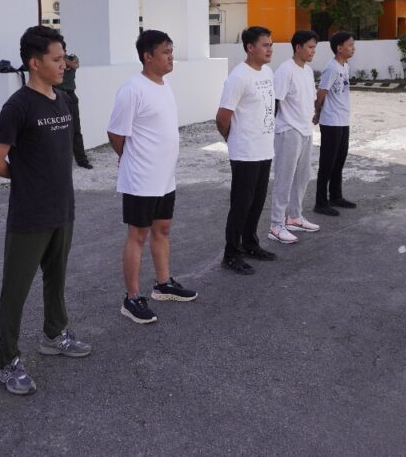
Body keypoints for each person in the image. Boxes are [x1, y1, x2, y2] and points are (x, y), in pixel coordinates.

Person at [0, 26, 91, 396]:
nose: (64, 65)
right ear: (34, 62)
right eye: (56, 59)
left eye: (64, 58)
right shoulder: (17, 106)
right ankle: (7, 361)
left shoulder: (62, 100)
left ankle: (54, 334)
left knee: (56, 278)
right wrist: (27, 179)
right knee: (16, 289)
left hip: (63, 208)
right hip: (30, 214)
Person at [108, 30, 198, 324]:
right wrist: (130, 159)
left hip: (164, 177)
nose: (171, 57)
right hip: (141, 177)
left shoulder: (164, 84)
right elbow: (115, 133)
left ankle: (163, 284)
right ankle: (132, 298)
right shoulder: (132, 89)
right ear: (148, 57)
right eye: (166, 52)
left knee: (163, 229)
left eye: (172, 51)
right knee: (138, 235)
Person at [216, 26, 277, 275]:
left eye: (271, 45)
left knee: (257, 202)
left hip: (264, 149)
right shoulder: (239, 77)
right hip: (245, 152)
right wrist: (233, 139)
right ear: (250, 47)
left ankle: (251, 244)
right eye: (265, 45)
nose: (269, 49)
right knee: (241, 205)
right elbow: (222, 118)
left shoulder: (268, 72)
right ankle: (231, 254)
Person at [269, 29, 321, 244]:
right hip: (288, 130)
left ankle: (294, 217)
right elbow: (274, 102)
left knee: (303, 176)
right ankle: (276, 225)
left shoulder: (307, 71)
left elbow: (310, 98)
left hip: (306, 130)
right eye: (310, 47)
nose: (313, 51)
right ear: (298, 47)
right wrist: (270, 131)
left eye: (314, 48)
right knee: (284, 178)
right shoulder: (285, 70)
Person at [313, 31, 357, 217]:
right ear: (339, 48)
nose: (353, 48)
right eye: (350, 45)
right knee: (327, 163)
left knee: (339, 160)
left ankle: (336, 196)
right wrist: (317, 113)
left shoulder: (344, 66)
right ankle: (320, 202)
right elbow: (321, 94)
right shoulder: (331, 68)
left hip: (343, 120)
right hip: (331, 122)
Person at [60, 45, 93, 169]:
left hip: (70, 95)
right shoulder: (57, 60)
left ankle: (81, 159)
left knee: (76, 129)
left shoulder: (71, 57)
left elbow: (74, 65)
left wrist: (62, 58)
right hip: (57, 94)